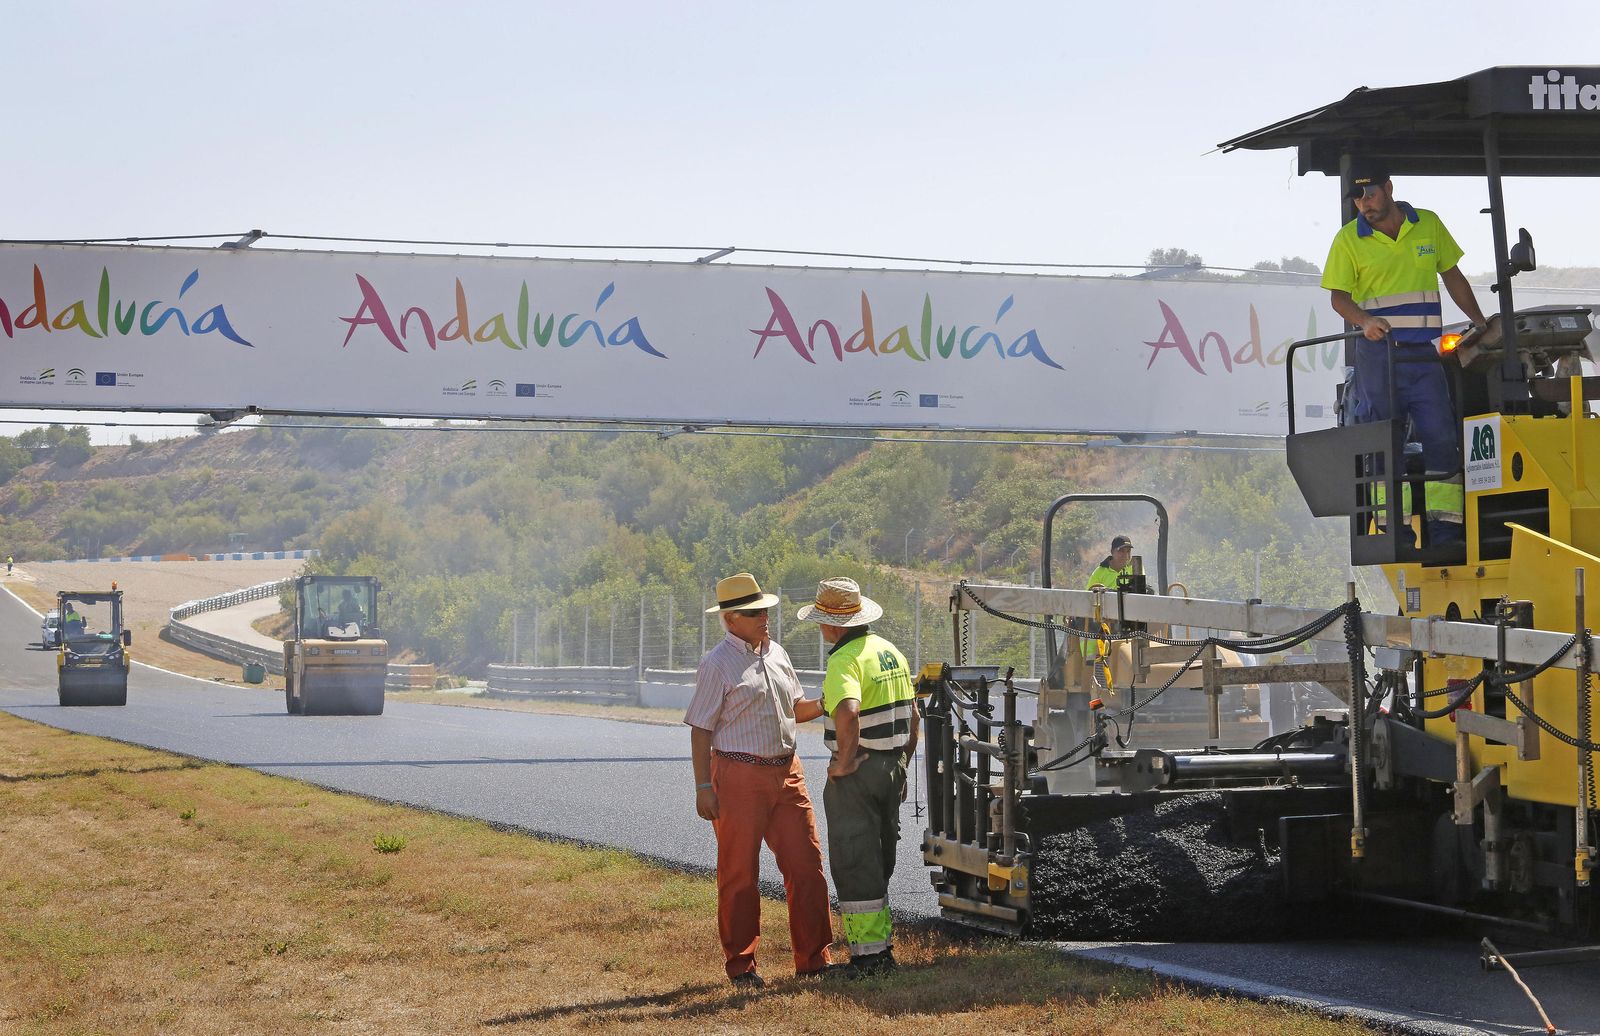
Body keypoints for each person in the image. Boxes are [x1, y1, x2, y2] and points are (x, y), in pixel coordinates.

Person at [1322, 158, 1488, 546]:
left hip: (1423, 355)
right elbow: (1338, 299)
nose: (1364, 203)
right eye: (1358, 198)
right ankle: (1392, 531)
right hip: (1379, 358)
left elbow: (1453, 277)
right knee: (1385, 442)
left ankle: (1445, 532)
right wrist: (1364, 321)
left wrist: (1480, 322)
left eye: (1370, 193)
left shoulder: (1427, 223)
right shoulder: (1348, 239)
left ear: (1389, 188)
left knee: (1442, 437)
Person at [684, 572, 833, 988]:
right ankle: (742, 965)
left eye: (764, 608)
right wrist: (703, 786)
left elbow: (795, 710)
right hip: (737, 776)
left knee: (807, 866)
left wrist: (827, 702)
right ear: (731, 620)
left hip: (787, 772)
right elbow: (700, 728)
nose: (764, 616)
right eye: (753, 612)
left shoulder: (778, 654)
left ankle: (814, 959)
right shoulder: (716, 664)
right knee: (739, 873)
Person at [796, 577, 918, 977]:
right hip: (891, 766)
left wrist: (845, 761)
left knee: (853, 859)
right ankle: (881, 948)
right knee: (879, 857)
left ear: (832, 626)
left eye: (820, 622)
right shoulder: (889, 652)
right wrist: (902, 765)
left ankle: (869, 959)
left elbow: (846, 711)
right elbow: (914, 716)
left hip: (860, 771)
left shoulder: (843, 660)